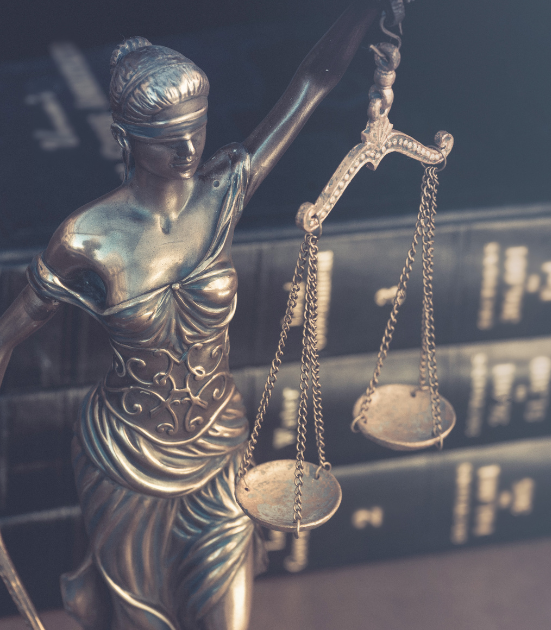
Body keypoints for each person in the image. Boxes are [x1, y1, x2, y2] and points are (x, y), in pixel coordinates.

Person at [0, 3, 382, 628]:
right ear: (126, 138)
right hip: (124, 458)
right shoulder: (87, 237)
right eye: (166, 137)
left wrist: (367, 12)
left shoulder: (223, 192)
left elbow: (312, 82)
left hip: (218, 449)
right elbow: (10, 332)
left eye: (196, 130)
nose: (187, 147)